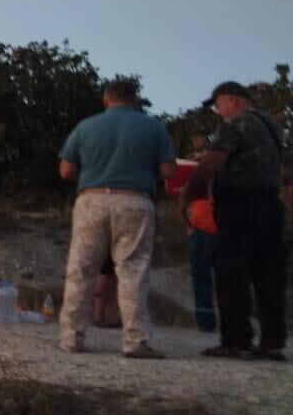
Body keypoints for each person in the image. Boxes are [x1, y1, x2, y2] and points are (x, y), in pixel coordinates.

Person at [57, 79, 177, 358]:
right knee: (133, 271)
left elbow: (65, 170)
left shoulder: (86, 126)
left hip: (92, 199)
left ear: (105, 100)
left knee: (81, 269)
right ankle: (135, 341)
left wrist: (93, 173)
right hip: (135, 201)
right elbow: (170, 172)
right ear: (135, 100)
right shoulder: (153, 126)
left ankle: (71, 338)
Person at [182, 81, 287, 361]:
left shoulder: (235, 124)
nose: (218, 111)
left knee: (231, 272)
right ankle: (272, 342)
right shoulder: (274, 128)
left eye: (218, 105)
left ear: (232, 99)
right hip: (270, 204)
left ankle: (236, 340)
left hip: (239, 203)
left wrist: (190, 194)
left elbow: (213, 161)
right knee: (268, 275)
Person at [184, 193, 218, 333]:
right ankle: (206, 321)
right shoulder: (202, 178)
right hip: (204, 231)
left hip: (205, 231)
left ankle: (206, 321)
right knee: (202, 279)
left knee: (203, 280)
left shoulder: (201, 178)